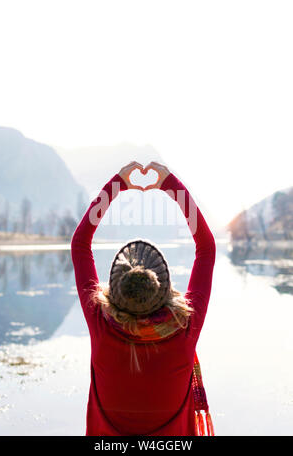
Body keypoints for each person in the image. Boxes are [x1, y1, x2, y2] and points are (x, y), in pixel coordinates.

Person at [71, 161, 216, 436]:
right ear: (163, 289)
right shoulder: (184, 328)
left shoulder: (101, 325)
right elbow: (207, 248)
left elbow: (79, 244)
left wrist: (117, 184)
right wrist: (171, 186)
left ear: (115, 292)